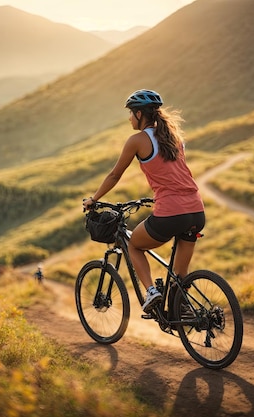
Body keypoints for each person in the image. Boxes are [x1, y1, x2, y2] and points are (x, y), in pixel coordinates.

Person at [82, 89, 205, 313]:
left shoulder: (137, 140)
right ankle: (183, 308)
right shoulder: (175, 138)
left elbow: (114, 175)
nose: (129, 118)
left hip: (171, 212)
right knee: (180, 274)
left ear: (139, 114)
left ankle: (151, 291)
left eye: (130, 113)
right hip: (196, 210)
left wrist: (94, 199)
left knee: (133, 245)